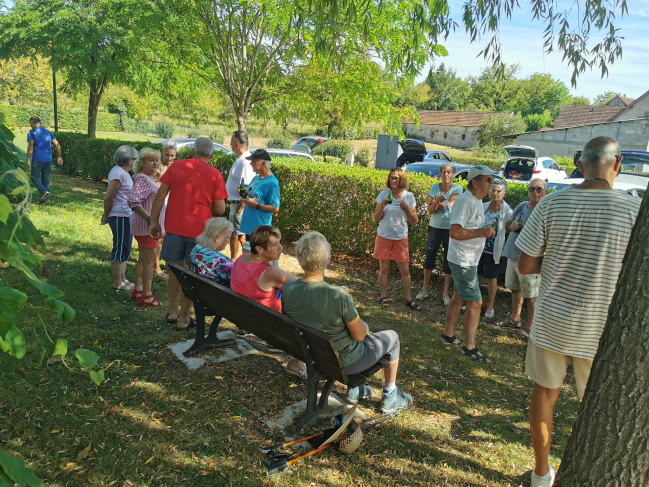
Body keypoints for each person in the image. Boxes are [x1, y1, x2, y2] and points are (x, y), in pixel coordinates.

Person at [517, 137, 640, 487]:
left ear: (579, 164)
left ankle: (541, 475)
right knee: (601, 408)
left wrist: (560, 257)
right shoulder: (633, 212)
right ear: (617, 164)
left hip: (552, 320)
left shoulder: (551, 205)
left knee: (544, 394)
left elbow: (525, 266)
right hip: (602, 328)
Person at [282, 231, 413, 414]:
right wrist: (365, 325)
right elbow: (359, 335)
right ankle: (391, 395)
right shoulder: (338, 296)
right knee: (392, 337)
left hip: (312, 355)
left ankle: (356, 390)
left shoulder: (289, 288)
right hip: (344, 363)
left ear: (299, 258)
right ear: (327, 258)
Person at [148, 137, 227, 330]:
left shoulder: (176, 167)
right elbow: (220, 209)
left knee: (175, 271)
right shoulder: (215, 174)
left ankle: (173, 311)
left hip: (174, 228)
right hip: (200, 233)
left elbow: (160, 195)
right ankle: (184, 317)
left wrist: (153, 222)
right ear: (212, 155)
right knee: (193, 274)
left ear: (192, 151)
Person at [230, 225, 305, 378]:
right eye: (275, 244)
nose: (281, 247)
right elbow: (305, 285)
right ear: (259, 249)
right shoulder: (269, 273)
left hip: (248, 318)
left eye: (279, 242)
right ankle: (296, 364)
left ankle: (273, 344)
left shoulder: (241, 259)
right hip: (274, 326)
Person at [441, 165, 496, 363]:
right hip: (463, 260)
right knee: (475, 301)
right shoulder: (465, 201)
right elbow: (454, 232)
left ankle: (448, 334)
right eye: (488, 180)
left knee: (458, 296)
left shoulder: (477, 202)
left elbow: (470, 228)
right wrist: (482, 233)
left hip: (469, 259)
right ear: (475, 182)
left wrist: (484, 230)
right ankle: (469, 346)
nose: (492, 184)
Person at [497, 178, 547, 338]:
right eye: (532, 189)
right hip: (513, 255)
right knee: (515, 288)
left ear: (545, 191)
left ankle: (530, 327)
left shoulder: (545, 210)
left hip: (531, 259)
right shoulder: (522, 205)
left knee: (531, 295)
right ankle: (515, 318)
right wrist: (510, 225)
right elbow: (507, 224)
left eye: (539, 189)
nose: (535, 192)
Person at [372, 167, 420, 310]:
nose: (393, 180)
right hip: (384, 236)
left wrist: (407, 210)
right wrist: (381, 206)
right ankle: (383, 295)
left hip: (400, 237)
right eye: (391, 177)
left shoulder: (409, 196)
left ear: (402, 180)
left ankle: (408, 299)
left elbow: (414, 221)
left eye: (396, 178)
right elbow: (375, 219)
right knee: (384, 268)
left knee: (405, 270)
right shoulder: (384, 194)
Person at [416, 163, 463, 304]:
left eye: (449, 172)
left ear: (453, 174)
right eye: (443, 172)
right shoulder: (434, 187)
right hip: (435, 227)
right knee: (429, 256)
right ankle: (424, 289)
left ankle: (445, 293)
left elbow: (450, 207)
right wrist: (435, 202)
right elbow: (431, 211)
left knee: (448, 260)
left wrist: (433, 201)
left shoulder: (457, 188)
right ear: (440, 174)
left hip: (450, 228)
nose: (446, 175)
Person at [128, 147, 165, 307]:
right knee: (149, 262)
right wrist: (150, 219)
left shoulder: (148, 178)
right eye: (151, 160)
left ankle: (139, 289)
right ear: (141, 163)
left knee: (143, 260)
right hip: (146, 227)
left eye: (156, 160)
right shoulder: (143, 179)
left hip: (144, 226)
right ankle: (147, 296)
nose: (155, 162)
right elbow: (133, 201)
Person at [101, 145, 137, 292]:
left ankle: (123, 278)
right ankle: (117, 281)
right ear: (129, 160)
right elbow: (108, 198)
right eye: (135, 159)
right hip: (120, 215)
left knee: (125, 248)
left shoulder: (124, 172)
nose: (136, 162)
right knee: (120, 248)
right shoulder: (118, 173)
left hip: (126, 215)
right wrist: (106, 215)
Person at [477, 180, 512, 318]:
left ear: (503, 194)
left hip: (494, 250)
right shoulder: (483, 206)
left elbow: (509, 232)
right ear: (489, 191)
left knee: (491, 277)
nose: (495, 193)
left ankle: (490, 305)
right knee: (477, 274)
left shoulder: (508, 211)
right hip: (479, 247)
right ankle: (475, 301)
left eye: (498, 191)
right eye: (493, 190)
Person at [239, 149, 280, 247]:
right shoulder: (256, 177)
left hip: (260, 230)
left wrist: (257, 205)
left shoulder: (272, 183)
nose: (251, 163)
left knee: (257, 259)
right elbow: (252, 195)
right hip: (249, 228)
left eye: (254, 160)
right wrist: (243, 192)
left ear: (263, 163)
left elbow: (275, 208)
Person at [224, 131, 254, 260]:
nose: (230, 144)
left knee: (240, 236)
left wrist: (240, 206)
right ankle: (235, 261)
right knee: (235, 234)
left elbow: (246, 185)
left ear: (237, 144)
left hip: (238, 204)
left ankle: (246, 262)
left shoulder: (246, 161)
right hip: (235, 203)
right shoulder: (240, 159)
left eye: (231, 141)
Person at [154, 139, 179, 279]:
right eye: (167, 155)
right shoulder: (157, 166)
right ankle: (156, 266)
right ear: (162, 152)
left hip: (173, 204)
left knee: (170, 234)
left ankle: (167, 261)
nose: (169, 158)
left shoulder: (175, 167)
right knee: (160, 235)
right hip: (160, 203)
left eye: (172, 156)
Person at [26, 116, 63, 203]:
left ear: (31, 122)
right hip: (48, 159)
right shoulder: (48, 132)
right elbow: (57, 145)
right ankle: (47, 199)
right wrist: (59, 156)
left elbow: (31, 145)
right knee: (45, 178)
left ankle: (44, 192)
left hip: (38, 159)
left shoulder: (31, 132)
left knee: (34, 177)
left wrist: (28, 158)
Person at [188, 217, 234, 285]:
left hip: (200, 292)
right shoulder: (222, 262)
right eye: (227, 238)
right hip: (219, 294)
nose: (229, 241)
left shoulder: (196, 249)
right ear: (216, 237)